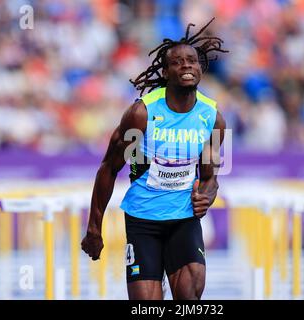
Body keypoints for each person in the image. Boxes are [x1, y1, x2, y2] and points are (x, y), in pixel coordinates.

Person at [81, 18, 228, 300]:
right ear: (165, 70)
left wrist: (207, 196)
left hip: (184, 219)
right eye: (178, 62)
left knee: (189, 297)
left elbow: (211, 178)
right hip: (142, 220)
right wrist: (94, 230)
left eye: (192, 61)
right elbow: (109, 168)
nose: (186, 65)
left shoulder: (213, 118)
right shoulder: (142, 114)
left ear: (201, 68)